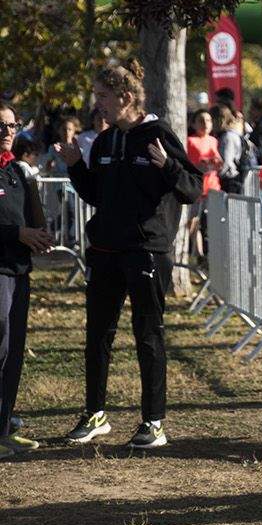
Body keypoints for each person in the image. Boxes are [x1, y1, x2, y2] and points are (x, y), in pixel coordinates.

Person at [60, 60, 204, 449]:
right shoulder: (105, 142)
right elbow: (96, 194)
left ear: (125, 97)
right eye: (97, 98)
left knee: (148, 336)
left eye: (103, 97)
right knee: (97, 336)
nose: (98, 105)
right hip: (105, 250)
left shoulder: (157, 134)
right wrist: (75, 168)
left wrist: (169, 165)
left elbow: (192, 188)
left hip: (146, 252)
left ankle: (153, 422)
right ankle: (95, 415)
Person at [0, 104, 51, 457]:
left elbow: (34, 218)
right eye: (1, 125)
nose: (8, 131)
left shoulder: (17, 171)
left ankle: (3, 427)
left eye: (13, 124)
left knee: (13, 350)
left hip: (19, 271)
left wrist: (36, 236)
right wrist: (17, 233)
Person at [185, 110, 223, 261]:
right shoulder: (189, 140)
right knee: (193, 221)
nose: (205, 124)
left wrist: (217, 163)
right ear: (193, 123)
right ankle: (198, 254)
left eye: (208, 120)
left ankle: (213, 255)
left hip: (213, 188)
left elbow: (219, 161)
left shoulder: (213, 140)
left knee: (214, 222)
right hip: (197, 188)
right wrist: (198, 165)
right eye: (201, 120)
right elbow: (187, 164)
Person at [216, 106, 247, 195]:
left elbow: (227, 160)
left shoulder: (228, 137)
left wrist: (218, 174)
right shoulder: (227, 135)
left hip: (229, 180)